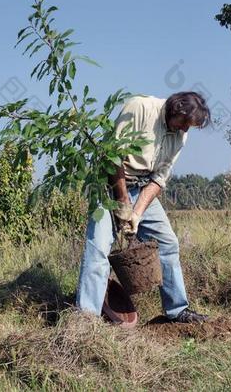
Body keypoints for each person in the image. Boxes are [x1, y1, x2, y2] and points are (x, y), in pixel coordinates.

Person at [75, 92, 211, 323]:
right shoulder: (140, 108)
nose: (185, 131)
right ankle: (86, 318)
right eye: (184, 123)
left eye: (190, 127)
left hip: (142, 186)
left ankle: (177, 310)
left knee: (168, 243)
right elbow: (112, 157)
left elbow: (159, 178)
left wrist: (136, 212)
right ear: (175, 109)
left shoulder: (180, 135)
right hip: (108, 184)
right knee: (98, 248)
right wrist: (123, 203)